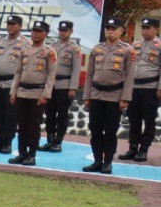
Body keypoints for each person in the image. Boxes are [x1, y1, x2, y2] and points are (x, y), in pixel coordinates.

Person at [82, 17, 136, 175]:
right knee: (95, 129)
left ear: (121, 31)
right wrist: (87, 96)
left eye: (114, 28)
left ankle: (107, 162)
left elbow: (130, 76)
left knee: (110, 131)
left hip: (115, 96)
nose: (110, 31)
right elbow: (90, 74)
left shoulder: (127, 50)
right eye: (108, 28)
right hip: (97, 94)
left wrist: (125, 98)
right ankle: (97, 160)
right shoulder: (97, 49)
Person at [9, 20, 57, 166]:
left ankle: (31, 154)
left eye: (39, 31)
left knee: (33, 126)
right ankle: (21, 153)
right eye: (33, 30)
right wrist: (13, 91)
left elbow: (51, 75)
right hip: (22, 92)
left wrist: (46, 95)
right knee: (22, 125)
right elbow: (18, 72)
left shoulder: (49, 51)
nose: (35, 33)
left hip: (37, 93)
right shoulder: (25, 50)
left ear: (46, 34)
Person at [118, 16, 159, 162]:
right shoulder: (135, 45)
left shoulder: (159, 46)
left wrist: (159, 88)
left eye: (148, 28)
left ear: (156, 29)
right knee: (134, 119)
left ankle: (144, 149)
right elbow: (127, 67)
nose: (145, 30)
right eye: (144, 28)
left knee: (149, 120)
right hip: (134, 87)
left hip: (150, 88)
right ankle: (133, 147)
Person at [0, 15, 26, 153]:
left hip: (11, 84)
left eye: (14, 24)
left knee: (10, 115)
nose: (10, 26)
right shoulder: (0, 42)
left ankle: (7, 142)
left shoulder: (25, 43)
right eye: (9, 24)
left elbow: (25, 67)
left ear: (20, 25)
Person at [42, 19, 80, 152]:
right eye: (60, 30)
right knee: (49, 113)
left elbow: (76, 69)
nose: (62, 33)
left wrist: (73, 87)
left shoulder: (74, 48)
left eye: (65, 31)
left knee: (62, 115)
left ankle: (58, 141)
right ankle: (50, 140)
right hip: (51, 84)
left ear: (71, 31)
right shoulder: (52, 46)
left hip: (64, 85)